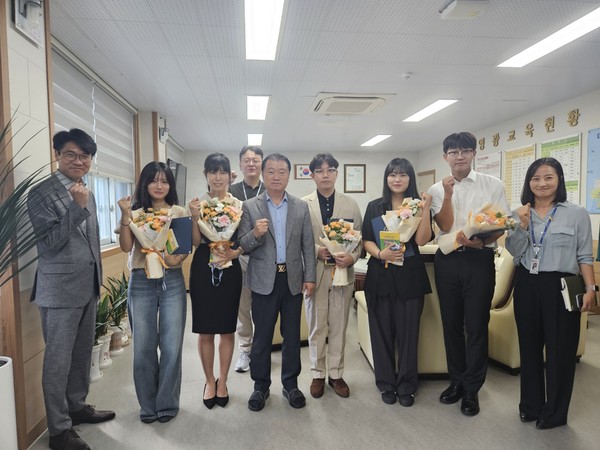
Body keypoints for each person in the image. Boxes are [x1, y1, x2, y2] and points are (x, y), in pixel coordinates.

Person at [27, 129, 115, 450]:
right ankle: (59, 431)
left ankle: (76, 407)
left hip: (87, 287)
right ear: (57, 155)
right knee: (58, 362)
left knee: (80, 356)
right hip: (59, 291)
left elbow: (88, 243)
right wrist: (77, 208)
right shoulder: (41, 193)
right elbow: (49, 243)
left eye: (85, 156)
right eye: (71, 155)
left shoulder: (84, 189)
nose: (79, 161)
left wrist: (97, 279)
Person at [505, 157, 597, 429]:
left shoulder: (576, 213)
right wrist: (520, 226)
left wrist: (591, 288)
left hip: (562, 286)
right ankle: (530, 406)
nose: (542, 183)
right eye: (536, 178)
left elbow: (584, 255)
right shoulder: (518, 213)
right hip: (527, 284)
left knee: (561, 350)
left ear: (559, 180)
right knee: (529, 347)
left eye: (548, 177)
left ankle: (555, 412)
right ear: (528, 183)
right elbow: (514, 251)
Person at [428, 131, 510, 417]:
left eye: (465, 151)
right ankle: (457, 382)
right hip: (448, 260)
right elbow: (445, 224)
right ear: (445, 157)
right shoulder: (437, 190)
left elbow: (502, 223)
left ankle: (472, 389)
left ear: (474, 153)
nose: (459, 156)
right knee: (451, 324)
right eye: (453, 152)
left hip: (479, 260)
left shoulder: (493, 184)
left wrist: (483, 241)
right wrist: (448, 194)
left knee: (476, 325)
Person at [238, 153, 316, 411]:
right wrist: (255, 233)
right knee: (261, 337)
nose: (276, 176)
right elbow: (243, 246)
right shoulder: (250, 206)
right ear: (262, 174)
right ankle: (260, 387)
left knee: (292, 337)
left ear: (289, 175)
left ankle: (291, 384)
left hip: (292, 279)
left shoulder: (300, 207)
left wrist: (310, 278)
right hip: (263, 281)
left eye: (281, 171)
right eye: (270, 171)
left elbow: (307, 246)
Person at [117, 162, 188, 424]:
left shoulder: (178, 212)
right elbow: (126, 247)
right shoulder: (134, 213)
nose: (160, 186)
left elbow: (180, 253)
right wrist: (125, 217)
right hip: (140, 279)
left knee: (171, 344)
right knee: (143, 346)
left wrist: (171, 258)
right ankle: (147, 405)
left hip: (172, 281)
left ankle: (167, 402)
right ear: (144, 184)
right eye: (154, 181)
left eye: (165, 181)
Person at [362, 158, 432, 406]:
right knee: (380, 334)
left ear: (410, 179)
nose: (397, 179)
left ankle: (407, 385)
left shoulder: (417, 207)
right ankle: (386, 383)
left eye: (403, 174)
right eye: (392, 174)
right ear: (386, 178)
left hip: (409, 277)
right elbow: (366, 240)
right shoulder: (374, 206)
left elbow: (422, 240)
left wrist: (425, 210)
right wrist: (381, 254)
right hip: (380, 275)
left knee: (408, 334)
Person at [302, 153, 362, 399]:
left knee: (339, 325)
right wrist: (318, 250)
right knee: (317, 326)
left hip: (342, 273)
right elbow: (299, 240)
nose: (325, 175)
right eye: (320, 170)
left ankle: (336, 374)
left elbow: (359, 240)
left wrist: (352, 258)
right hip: (315, 273)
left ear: (337, 173)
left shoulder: (351, 204)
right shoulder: (303, 204)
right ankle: (317, 373)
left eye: (330, 170)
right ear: (312, 175)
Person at [188, 153, 243, 409]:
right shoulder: (199, 205)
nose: (217, 177)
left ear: (230, 175)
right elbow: (196, 242)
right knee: (206, 328)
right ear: (206, 175)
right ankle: (210, 381)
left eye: (222, 172)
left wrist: (234, 252)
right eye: (213, 172)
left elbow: (243, 242)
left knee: (227, 327)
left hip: (230, 267)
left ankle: (224, 381)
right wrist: (193, 217)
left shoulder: (239, 206)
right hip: (203, 267)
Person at [229, 145, 265, 373]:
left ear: (262, 164)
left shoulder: (270, 189)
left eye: (256, 160)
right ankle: (245, 350)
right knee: (243, 308)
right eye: (247, 160)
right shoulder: (231, 191)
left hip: (265, 257)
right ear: (240, 164)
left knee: (263, 308)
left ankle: (261, 350)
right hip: (239, 254)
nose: (251, 164)